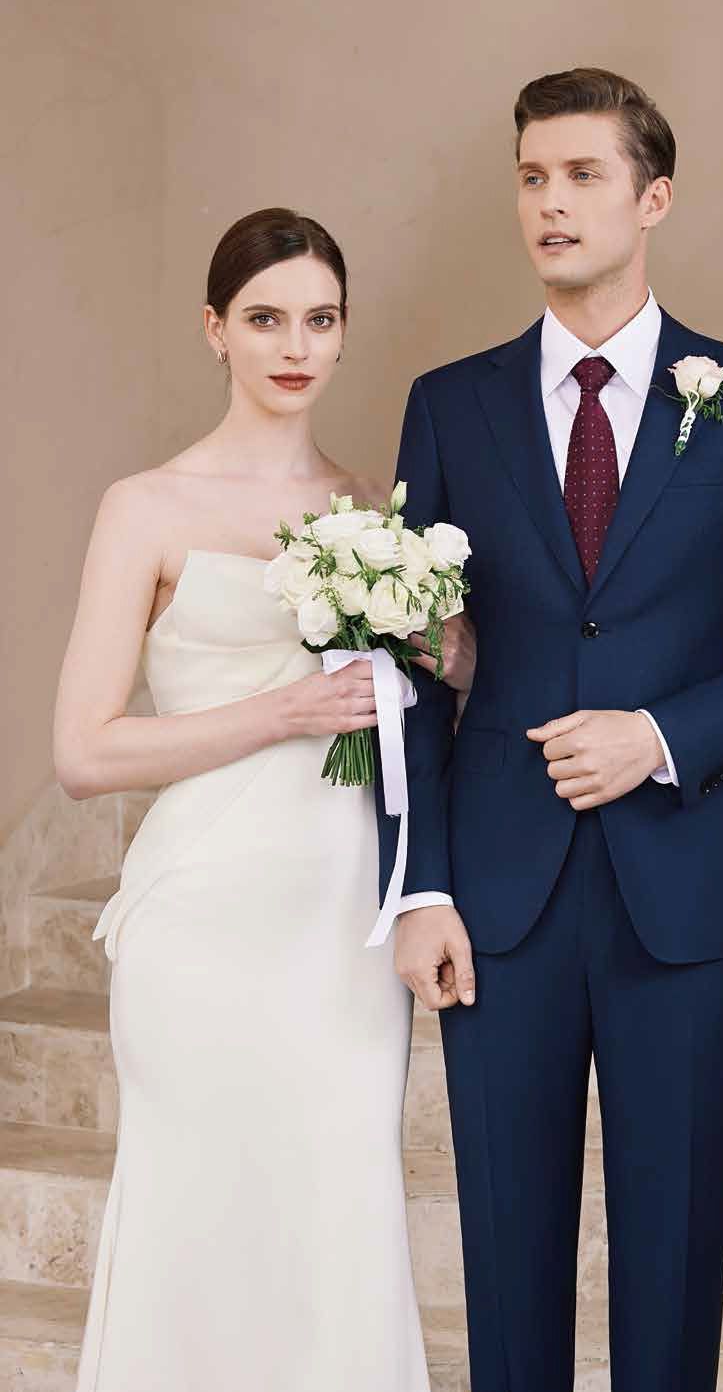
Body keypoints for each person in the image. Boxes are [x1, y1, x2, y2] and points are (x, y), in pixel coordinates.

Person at [389, 69, 723, 1392]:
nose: (551, 202)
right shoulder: (453, 404)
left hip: (684, 890)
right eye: (533, 177)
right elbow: (416, 669)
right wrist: (420, 881)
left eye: (582, 175)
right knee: (509, 1274)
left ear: (652, 197)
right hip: (498, 895)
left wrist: (657, 732)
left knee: (670, 1280)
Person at [53, 207, 473, 1392]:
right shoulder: (145, 507)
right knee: (199, 1216)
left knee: (335, 1212)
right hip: (203, 914)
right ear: (216, 332)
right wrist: (276, 716)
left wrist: (442, 641)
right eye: (265, 318)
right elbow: (84, 750)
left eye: (320, 319)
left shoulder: (377, 515)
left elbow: (453, 684)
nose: (295, 344)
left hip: (342, 918)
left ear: (343, 336)